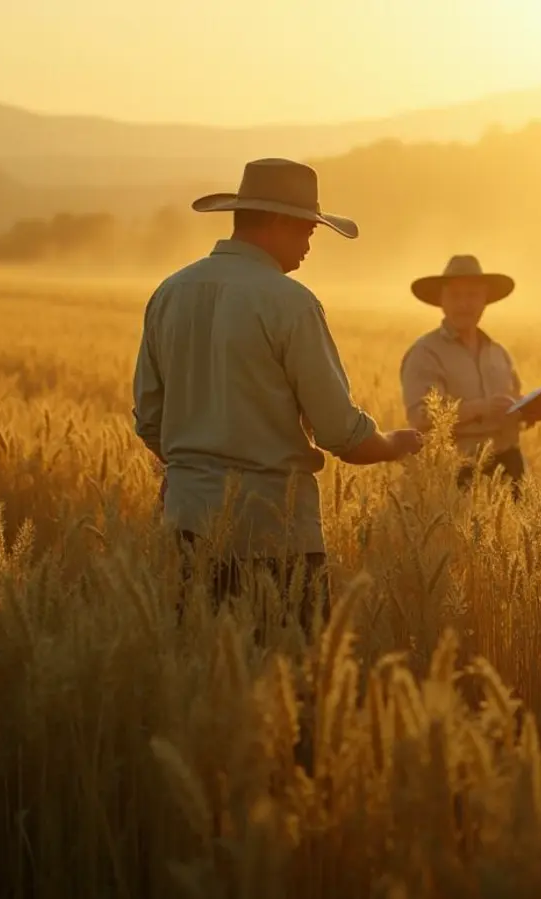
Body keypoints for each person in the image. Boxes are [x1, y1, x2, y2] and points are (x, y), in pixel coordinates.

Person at [131, 158, 423, 637]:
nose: (310, 244)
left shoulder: (170, 292)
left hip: (185, 528)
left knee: (203, 677)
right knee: (290, 686)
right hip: (276, 535)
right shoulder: (290, 302)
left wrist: (191, 471)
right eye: (307, 230)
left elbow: (149, 421)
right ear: (276, 222)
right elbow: (340, 434)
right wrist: (394, 444)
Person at [398, 254, 541, 498]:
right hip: (455, 473)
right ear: (441, 301)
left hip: (509, 469)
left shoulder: (498, 353)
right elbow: (421, 418)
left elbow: (512, 405)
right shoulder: (425, 353)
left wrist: (528, 411)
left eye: (472, 295)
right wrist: (481, 408)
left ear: (485, 300)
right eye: (455, 296)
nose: (464, 304)